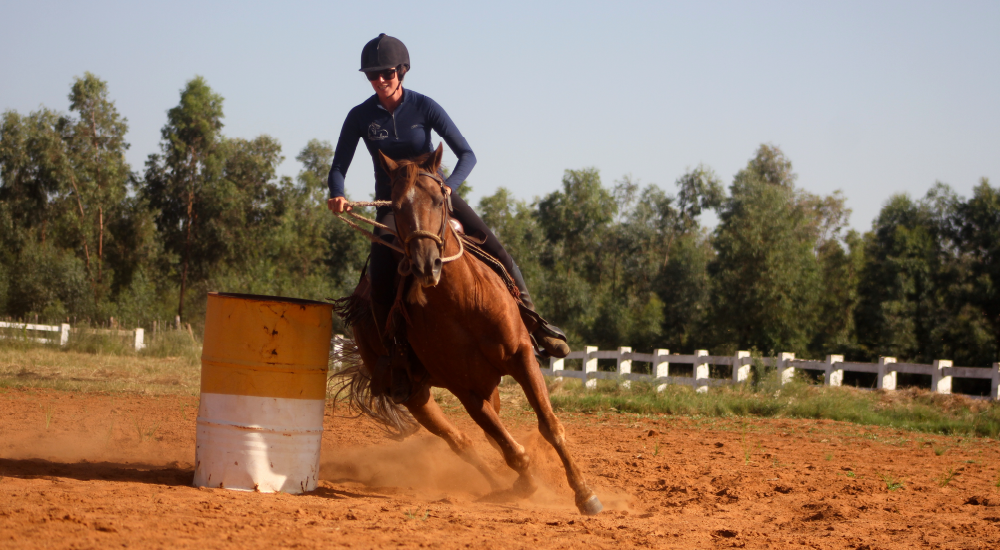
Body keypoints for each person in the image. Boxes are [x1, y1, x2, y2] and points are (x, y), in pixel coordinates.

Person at [327, 33, 569, 402]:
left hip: (437, 198)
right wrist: (337, 194)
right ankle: (393, 357)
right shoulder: (360, 117)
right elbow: (338, 166)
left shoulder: (424, 107)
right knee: (379, 277)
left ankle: (535, 324)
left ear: (402, 71)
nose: (380, 81)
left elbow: (467, 154)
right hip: (393, 209)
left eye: (387, 73)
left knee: (496, 247)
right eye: (373, 75)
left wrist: (448, 188)